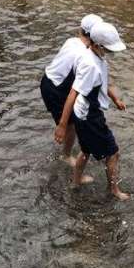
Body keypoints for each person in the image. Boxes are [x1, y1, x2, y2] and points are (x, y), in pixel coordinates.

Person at [55, 22, 130, 200]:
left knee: (86, 150)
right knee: (113, 153)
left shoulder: (93, 57)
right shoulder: (91, 66)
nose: (110, 53)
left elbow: (102, 82)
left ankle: (76, 182)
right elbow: (73, 93)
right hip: (89, 116)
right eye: (108, 49)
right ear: (97, 45)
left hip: (83, 112)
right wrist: (62, 125)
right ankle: (113, 190)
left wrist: (115, 99)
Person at [41, 14, 103, 164]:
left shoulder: (72, 41)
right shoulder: (85, 55)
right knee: (71, 125)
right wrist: (62, 125)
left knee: (73, 120)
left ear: (80, 30)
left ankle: (65, 139)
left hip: (47, 80)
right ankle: (66, 155)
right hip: (56, 89)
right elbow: (73, 93)